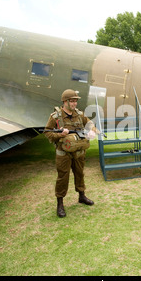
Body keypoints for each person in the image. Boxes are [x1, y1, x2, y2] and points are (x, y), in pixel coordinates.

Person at [44, 89, 97, 218]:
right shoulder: (55, 117)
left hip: (78, 151)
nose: (74, 104)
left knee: (80, 173)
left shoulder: (79, 114)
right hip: (63, 153)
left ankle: (82, 196)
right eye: (72, 101)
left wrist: (92, 131)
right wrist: (59, 134)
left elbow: (90, 124)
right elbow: (47, 132)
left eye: (75, 101)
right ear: (65, 101)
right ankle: (60, 203)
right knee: (63, 177)